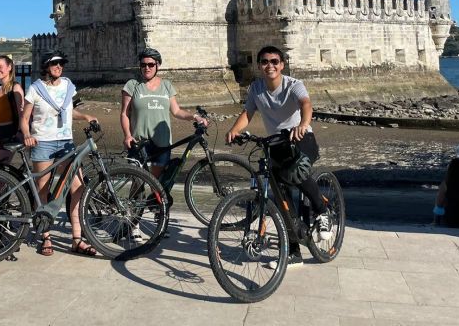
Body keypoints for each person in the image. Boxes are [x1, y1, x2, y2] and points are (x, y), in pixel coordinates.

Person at [225, 45, 330, 265]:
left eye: (274, 61)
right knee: (281, 198)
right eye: (264, 62)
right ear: (259, 65)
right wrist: (235, 130)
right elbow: (247, 113)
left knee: (297, 171)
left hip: (301, 139)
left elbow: (306, 104)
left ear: (282, 65)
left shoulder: (293, 85)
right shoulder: (256, 89)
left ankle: (322, 211)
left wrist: (303, 124)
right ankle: (293, 252)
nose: (269, 65)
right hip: (276, 144)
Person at [20, 50, 98, 256]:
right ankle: (46, 237)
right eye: (54, 64)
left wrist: (86, 116)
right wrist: (27, 134)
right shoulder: (35, 89)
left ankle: (77, 239)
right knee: (43, 190)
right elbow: (24, 117)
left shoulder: (68, 86)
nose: (58, 66)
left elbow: (70, 111)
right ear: (46, 66)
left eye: (61, 63)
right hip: (43, 142)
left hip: (65, 142)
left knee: (78, 187)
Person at [120, 48, 207, 179]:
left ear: (157, 66)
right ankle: (132, 199)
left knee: (157, 183)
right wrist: (127, 135)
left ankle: (154, 200)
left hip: (162, 142)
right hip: (138, 141)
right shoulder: (132, 85)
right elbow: (124, 114)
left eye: (150, 65)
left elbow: (176, 111)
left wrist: (195, 117)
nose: (146, 68)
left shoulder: (166, 86)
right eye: (143, 65)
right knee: (137, 182)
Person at [0, 55, 25, 163]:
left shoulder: (15, 88)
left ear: (9, 67)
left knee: (0, 171)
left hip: (9, 133)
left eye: (0, 67)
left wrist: (21, 135)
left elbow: (22, 114)